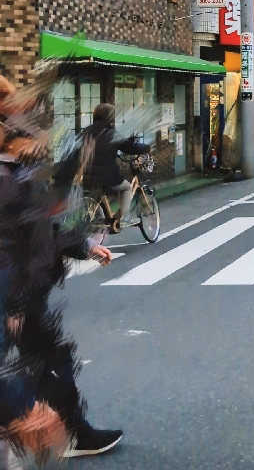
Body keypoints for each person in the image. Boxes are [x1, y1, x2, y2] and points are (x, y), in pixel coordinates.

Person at [0, 76, 121, 460]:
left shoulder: (17, 169)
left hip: (25, 290)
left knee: (53, 358)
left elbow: (41, 222)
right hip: (13, 293)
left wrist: (83, 245)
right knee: (41, 365)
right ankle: (38, 421)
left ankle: (71, 431)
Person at [79, 104, 149, 232]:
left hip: (87, 175)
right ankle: (120, 217)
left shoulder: (86, 131)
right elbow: (129, 148)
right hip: (107, 176)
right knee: (126, 188)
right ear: (110, 117)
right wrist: (146, 147)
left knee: (101, 191)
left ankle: (107, 218)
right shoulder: (111, 133)